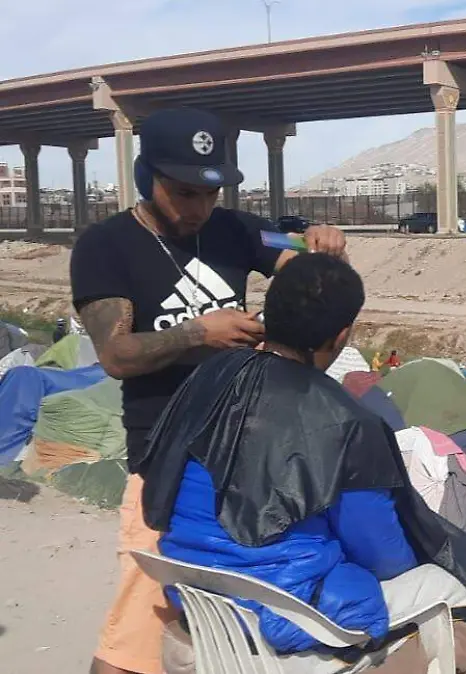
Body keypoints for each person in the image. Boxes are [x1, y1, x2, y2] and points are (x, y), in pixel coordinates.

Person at [70, 107, 347, 674]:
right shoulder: (106, 245)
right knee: (140, 630)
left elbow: (298, 266)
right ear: (145, 176)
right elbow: (116, 355)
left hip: (247, 461)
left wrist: (322, 246)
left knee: (229, 630)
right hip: (165, 464)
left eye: (208, 194)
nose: (197, 208)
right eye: (182, 193)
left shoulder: (236, 230)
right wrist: (202, 331)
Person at [142, 254, 466, 673]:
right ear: (342, 335)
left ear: (269, 315)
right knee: (463, 598)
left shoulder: (211, 377)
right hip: (289, 617)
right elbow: (383, 556)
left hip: (201, 602)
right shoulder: (344, 421)